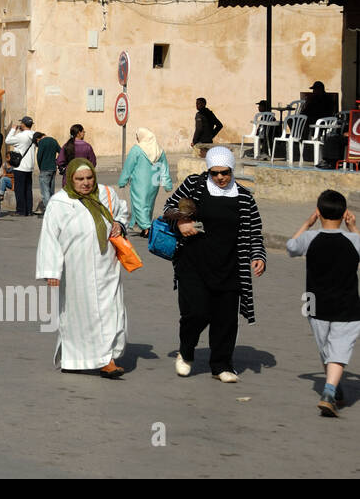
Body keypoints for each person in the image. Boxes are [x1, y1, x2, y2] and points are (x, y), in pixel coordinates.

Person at [161, 146, 266, 382]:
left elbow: (255, 232)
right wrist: (181, 222)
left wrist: (257, 256)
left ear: (232, 170)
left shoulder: (244, 198)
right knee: (197, 312)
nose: (220, 177)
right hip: (194, 263)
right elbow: (168, 208)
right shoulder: (195, 185)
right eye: (215, 173)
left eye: (225, 172)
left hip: (230, 266)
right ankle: (186, 352)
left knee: (225, 319)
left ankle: (221, 365)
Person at [36, 158, 131, 378]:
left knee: (109, 312)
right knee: (77, 316)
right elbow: (50, 237)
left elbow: (122, 212)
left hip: (107, 267)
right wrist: (51, 271)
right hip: (75, 271)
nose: (86, 183)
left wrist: (119, 224)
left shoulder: (106, 194)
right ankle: (77, 359)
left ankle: (105, 358)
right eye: (80, 179)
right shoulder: (60, 202)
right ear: (70, 179)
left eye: (89, 178)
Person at [286, 190, 360, 417]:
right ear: (345, 213)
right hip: (347, 304)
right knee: (339, 348)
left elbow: (291, 247)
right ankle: (329, 391)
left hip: (313, 302)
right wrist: (353, 227)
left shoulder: (310, 238)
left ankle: (333, 386)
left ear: (318, 212)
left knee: (325, 347)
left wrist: (308, 223)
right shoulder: (353, 240)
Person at [117, 127, 172, 236]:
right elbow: (164, 167)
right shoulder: (159, 150)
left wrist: (123, 181)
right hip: (154, 183)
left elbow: (128, 166)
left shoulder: (137, 149)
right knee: (149, 204)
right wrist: (167, 183)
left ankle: (147, 228)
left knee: (140, 204)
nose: (137, 138)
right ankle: (145, 227)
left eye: (137, 136)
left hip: (140, 182)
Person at [5, 116, 37, 217]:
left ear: (23, 124)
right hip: (30, 166)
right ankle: (29, 210)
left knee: (19, 189)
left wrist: (13, 129)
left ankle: (21, 211)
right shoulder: (34, 135)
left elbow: (7, 140)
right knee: (28, 189)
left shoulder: (21, 136)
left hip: (20, 166)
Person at [34, 131, 60, 213]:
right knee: (51, 190)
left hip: (44, 169)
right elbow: (61, 152)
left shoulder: (41, 142)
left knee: (45, 191)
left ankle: (49, 210)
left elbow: (39, 156)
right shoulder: (53, 140)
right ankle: (53, 208)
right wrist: (57, 161)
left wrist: (40, 167)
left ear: (37, 139)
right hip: (53, 168)